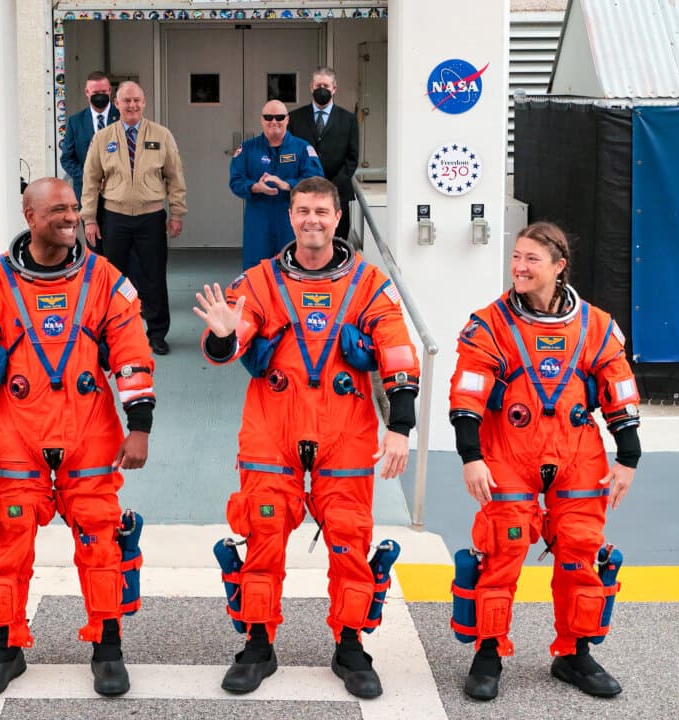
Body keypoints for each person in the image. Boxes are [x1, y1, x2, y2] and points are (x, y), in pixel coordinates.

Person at [194, 176, 420, 698]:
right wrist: (226, 333)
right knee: (263, 536)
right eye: (302, 211)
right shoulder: (259, 281)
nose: (312, 220)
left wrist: (401, 428)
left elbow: (398, 353)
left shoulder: (368, 283)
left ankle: (350, 643)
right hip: (272, 429)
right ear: (290, 216)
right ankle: (257, 644)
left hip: (345, 428)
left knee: (348, 539)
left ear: (338, 217)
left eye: (321, 211)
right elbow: (227, 340)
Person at [0, 177, 156, 699]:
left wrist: (140, 426)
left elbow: (131, 352)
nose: (70, 216)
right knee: (8, 543)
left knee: (102, 542)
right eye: (58, 209)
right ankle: (5, 648)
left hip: (89, 433)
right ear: (30, 215)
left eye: (73, 207)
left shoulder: (104, 278)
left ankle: (107, 646)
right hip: (17, 436)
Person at [448, 221, 640, 701]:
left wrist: (628, 456)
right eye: (516, 257)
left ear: (559, 267)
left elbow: (619, 389)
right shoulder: (489, 323)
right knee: (502, 550)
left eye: (532, 259)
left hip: (577, 452)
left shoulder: (595, 325)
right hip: (509, 452)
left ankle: (574, 654)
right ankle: (488, 651)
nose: (520, 267)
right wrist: (471, 457)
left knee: (580, 549)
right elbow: (467, 394)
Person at [82, 81, 186, 356]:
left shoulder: (162, 135)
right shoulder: (103, 138)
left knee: (154, 277)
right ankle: (113, 333)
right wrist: (89, 218)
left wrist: (176, 213)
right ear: (117, 104)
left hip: (151, 218)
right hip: (114, 218)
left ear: (144, 102)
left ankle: (157, 333)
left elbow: (175, 178)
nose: (132, 105)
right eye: (126, 101)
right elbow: (90, 181)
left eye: (137, 100)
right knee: (114, 279)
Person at [230, 99, 323, 270]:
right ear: (261, 120)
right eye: (268, 117)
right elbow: (236, 180)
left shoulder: (302, 148)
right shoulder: (248, 149)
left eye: (279, 117)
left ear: (287, 119)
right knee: (256, 270)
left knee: (293, 266)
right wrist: (255, 187)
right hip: (258, 218)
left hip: (291, 218)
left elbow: (316, 180)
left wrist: (288, 185)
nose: (274, 122)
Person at [288, 67, 360, 242]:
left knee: (337, 242)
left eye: (326, 86)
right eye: (318, 85)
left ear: (334, 89)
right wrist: (305, 182)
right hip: (303, 192)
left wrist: (331, 186)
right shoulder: (294, 118)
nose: (322, 89)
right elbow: (290, 155)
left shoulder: (348, 119)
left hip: (337, 193)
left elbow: (352, 158)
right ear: (311, 87)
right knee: (303, 241)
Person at [59, 70, 120, 231]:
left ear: (109, 91)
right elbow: (67, 158)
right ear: (87, 92)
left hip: (119, 194)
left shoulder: (122, 117)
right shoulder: (75, 121)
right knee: (94, 245)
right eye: (95, 92)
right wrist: (88, 177)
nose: (100, 95)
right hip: (87, 194)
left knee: (118, 245)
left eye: (103, 92)